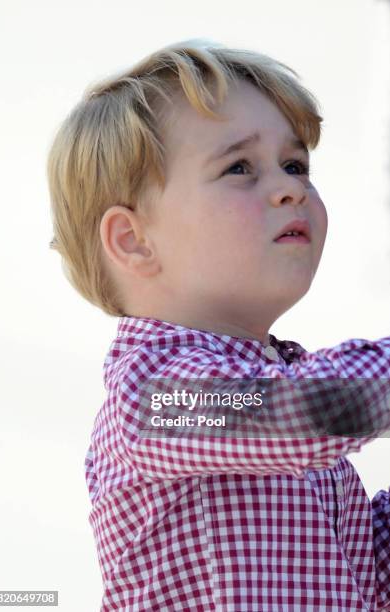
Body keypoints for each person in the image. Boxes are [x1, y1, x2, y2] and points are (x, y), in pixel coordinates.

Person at [47, 39, 390, 611]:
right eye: (239, 168)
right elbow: (301, 412)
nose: (292, 188)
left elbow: (367, 579)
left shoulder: (294, 415)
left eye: (295, 164)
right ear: (134, 240)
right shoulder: (153, 400)